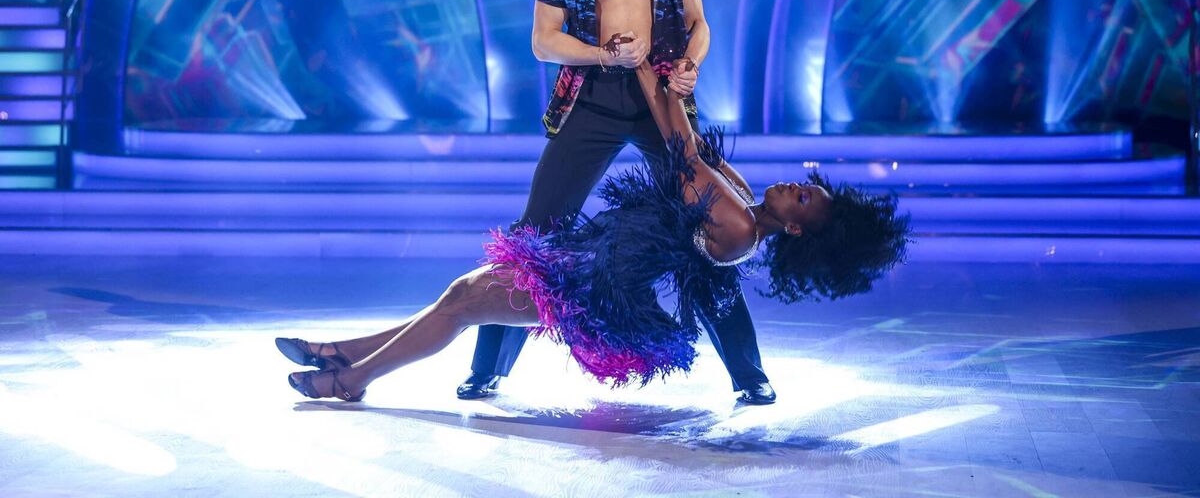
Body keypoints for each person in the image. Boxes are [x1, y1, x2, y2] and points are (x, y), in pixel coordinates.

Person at [277, 59, 911, 401]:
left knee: (466, 301)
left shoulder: (739, 227)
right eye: (805, 185)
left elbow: (682, 149)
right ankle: (346, 354)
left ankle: (351, 381)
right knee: (459, 296)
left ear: (797, 231)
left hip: (590, 284)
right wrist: (675, 80)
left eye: (803, 198)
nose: (795, 188)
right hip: (591, 256)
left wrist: (642, 71)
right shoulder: (745, 202)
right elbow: (699, 148)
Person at [459, 0, 780, 405]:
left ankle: (748, 372)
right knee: (537, 232)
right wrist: (605, 55)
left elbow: (699, 23)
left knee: (705, 224)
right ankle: (488, 368)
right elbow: (543, 42)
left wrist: (691, 64)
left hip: (662, 101)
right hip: (594, 99)